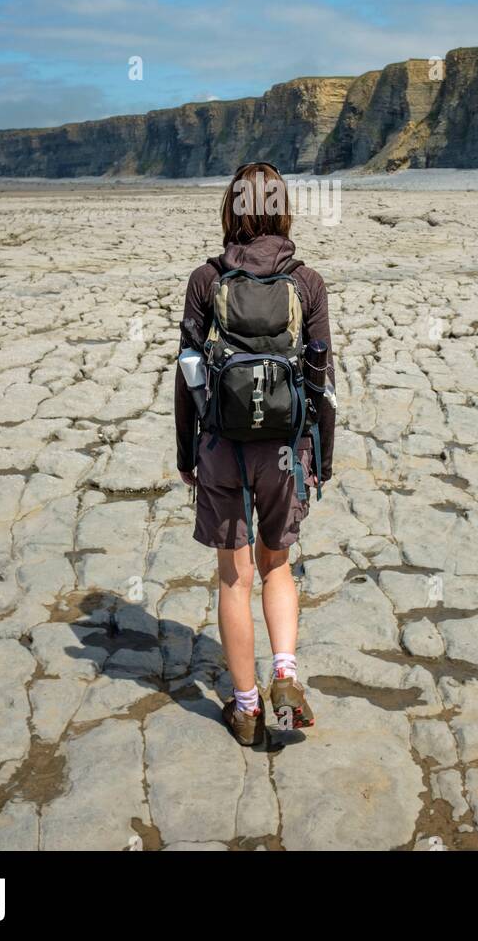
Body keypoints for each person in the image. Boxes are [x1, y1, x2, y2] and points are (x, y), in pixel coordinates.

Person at [174, 161, 336, 745]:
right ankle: (285, 673)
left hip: (221, 447)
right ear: (282, 209)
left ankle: (245, 709)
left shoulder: (205, 279)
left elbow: (188, 373)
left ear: (230, 209)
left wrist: (185, 454)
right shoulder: (307, 281)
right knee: (278, 565)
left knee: (233, 577)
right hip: (287, 449)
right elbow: (322, 379)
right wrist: (323, 455)